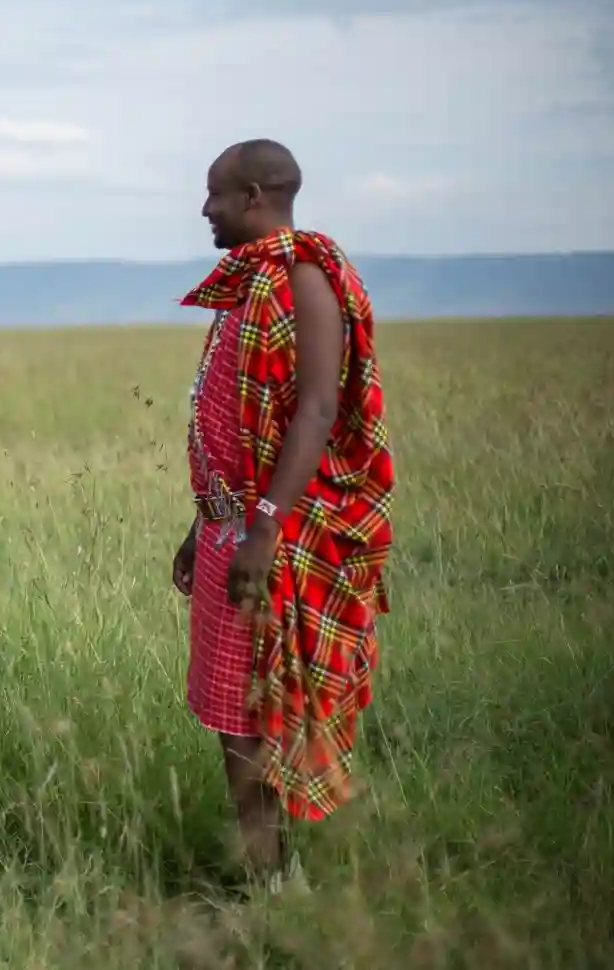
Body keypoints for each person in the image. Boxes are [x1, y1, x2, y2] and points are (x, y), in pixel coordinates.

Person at [172, 139, 396, 882]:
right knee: (233, 717)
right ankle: (267, 877)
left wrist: (264, 526)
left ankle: (272, 887)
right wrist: (201, 524)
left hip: (272, 535)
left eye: (216, 194)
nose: (205, 208)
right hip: (229, 528)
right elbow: (241, 425)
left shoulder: (305, 279)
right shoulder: (248, 284)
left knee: (258, 719)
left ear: (255, 196)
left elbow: (318, 409)